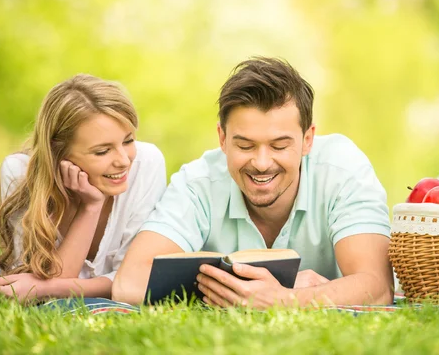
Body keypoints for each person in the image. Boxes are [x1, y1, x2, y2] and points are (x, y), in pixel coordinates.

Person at [113, 57, 393, 308]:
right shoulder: (198, 182)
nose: (261, 163)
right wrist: (245, 295)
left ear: (308, 140)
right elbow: (129, 284)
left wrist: (284, 299)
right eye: (245, 146)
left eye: (279, 146)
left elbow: (377, 287)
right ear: (222, 139)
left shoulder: (342, 169)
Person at [0, 74, 166, 303]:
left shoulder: (146, 163)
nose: (123, 161)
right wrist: (91, 207)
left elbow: (134, 280)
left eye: (128, 141)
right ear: (58, 154)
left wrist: (44, 288)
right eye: (102, 151)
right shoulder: (18, 172)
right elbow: (44, 287)